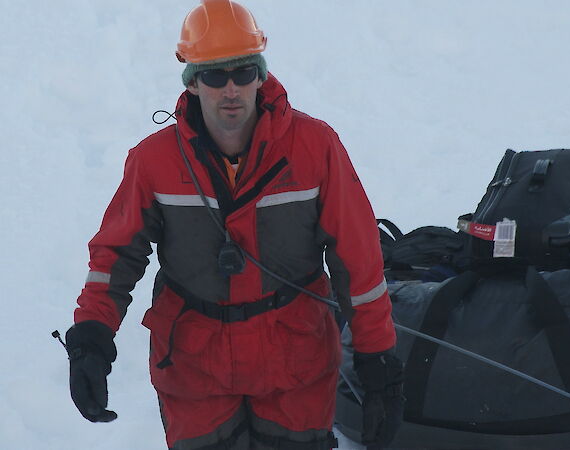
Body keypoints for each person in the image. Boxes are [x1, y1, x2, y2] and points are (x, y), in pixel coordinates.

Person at [65, 1, 404, 448]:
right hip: (192, 365)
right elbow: (115, 255)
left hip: (294, 362)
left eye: (243, 72)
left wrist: (377, 356)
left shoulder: (315, 146)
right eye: (214, 74)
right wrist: (92, 335)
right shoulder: (153, 161)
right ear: (192, 82)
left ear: (260, 75)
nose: (231, 88)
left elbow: (358, 260)